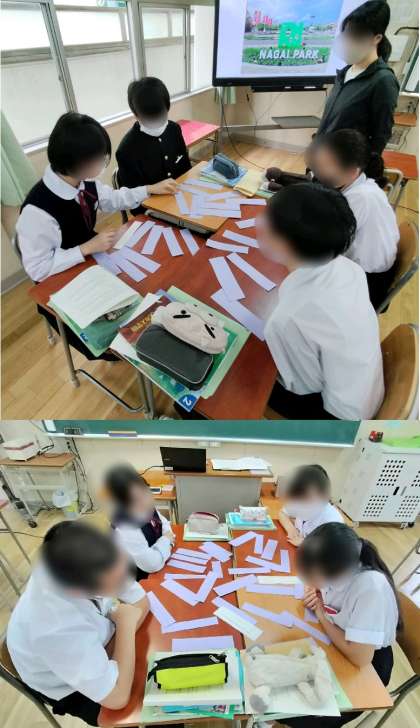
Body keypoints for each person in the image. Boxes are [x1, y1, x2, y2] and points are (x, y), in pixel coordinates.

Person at [16, 112, 174, 359]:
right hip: (62, 281)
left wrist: (149, 189)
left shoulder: (84, 183)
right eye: (99, 160)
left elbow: (114, 199)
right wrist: (86, 248)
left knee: (149, 288)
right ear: (77, 162)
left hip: (93, 260)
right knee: (122, 336)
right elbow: (38, 270)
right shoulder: (37, 212)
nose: (102, 165)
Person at [260, 183, 384, 419]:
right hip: (366, 388)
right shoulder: (350, 268)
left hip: (338, 418)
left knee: (241, 375)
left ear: (283, 243)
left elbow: (303, 386)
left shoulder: (287, 319)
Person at [7, 522, 149, 726]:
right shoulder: (52, 625)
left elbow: (141, 601)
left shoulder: (89, 558)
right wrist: (125, 625)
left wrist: (120, 641)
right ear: (77, 591)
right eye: (115, 584)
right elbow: (117, 698)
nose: (124, 582)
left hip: (98, 641)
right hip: (69, 687)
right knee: (152, 704)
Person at [284, 522, 400, 728]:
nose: (308, 579)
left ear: (336, 571)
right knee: (288, 683)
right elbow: (325, 589)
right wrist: (316, 591)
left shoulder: (370, 588)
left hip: (367, 665)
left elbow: (360, 658)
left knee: (296, 710)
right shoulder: (340, 564)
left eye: (313, 574)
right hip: (340, 639)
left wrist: (321, 614)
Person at [310, 129, 399, 308]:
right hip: (363, 270)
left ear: (351, 172)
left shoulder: (360, 198)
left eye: (325, 167)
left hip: (367, 284)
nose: (318, 172)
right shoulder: (363, 184)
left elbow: (325, 245)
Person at [317, 0, 399, 155]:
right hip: (323, 157)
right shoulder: (345, 72)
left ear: (377, 38)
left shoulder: (383, 81)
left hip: (346, 165)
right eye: (347, 35)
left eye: (356, 37)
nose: (349, 42)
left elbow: (380, 137)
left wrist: (357, 168)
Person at [116, 77, 191, 215]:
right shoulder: (127, 149)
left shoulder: (174, 129)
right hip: (153, 211)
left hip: (183, 199)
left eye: (161, 116)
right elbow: (135, 205)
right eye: (150, 119)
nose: (157, 123)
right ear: (136, 115)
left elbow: (186, 170)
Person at [105, 463, 175, 579]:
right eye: (136, 499)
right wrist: (167, 541)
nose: (146, 500)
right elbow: (152, 565)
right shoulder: (126, 528)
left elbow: (164, 524)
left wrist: (165, 544)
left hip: (161, 564)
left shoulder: (145, 506)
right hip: (137, 578)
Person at [278, 465, 343, 546]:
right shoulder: (298, 501)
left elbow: (334, 547)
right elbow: (282, 513)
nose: (302, 503)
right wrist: (291, 529)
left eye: (308, 497)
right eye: (300, 497)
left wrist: (306, 543)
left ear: (323, 495)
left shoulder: (333, 521)